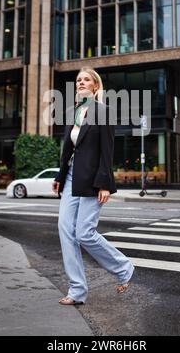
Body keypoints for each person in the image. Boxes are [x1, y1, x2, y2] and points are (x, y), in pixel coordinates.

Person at [52, 67, 134, 305]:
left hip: (92, 181)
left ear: (95, 86)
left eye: (86, 79)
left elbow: (107, 152)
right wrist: (59, 176)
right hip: (71, 179)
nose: (81, 82)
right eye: (78, 80)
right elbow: (67, 150)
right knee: (66, 231)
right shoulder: (72, 112)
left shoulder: (103, 112)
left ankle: (123, 267)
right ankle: (76, 291)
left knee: (84, 233)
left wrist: (105, 184)